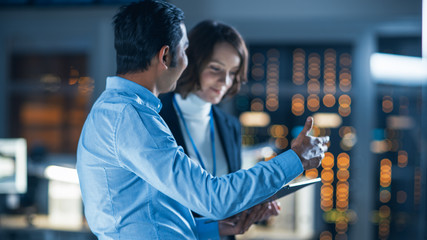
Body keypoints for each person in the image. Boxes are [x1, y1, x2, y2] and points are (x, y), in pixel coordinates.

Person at [76, 1, 329, 240]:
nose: (186, 62)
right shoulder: (131, 117)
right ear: (165, 57)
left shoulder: (121, 111)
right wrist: (296, 158)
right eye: (184, 50)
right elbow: (213, 199)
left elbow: (149, 217)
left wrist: (213, 229)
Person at [159, 20, 281, 238]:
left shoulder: (230, 126)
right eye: (215, 68)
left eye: (233, 72)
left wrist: (252, 208)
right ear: (191, 62)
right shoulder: (157, 117)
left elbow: (227, 201)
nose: (225, 81)